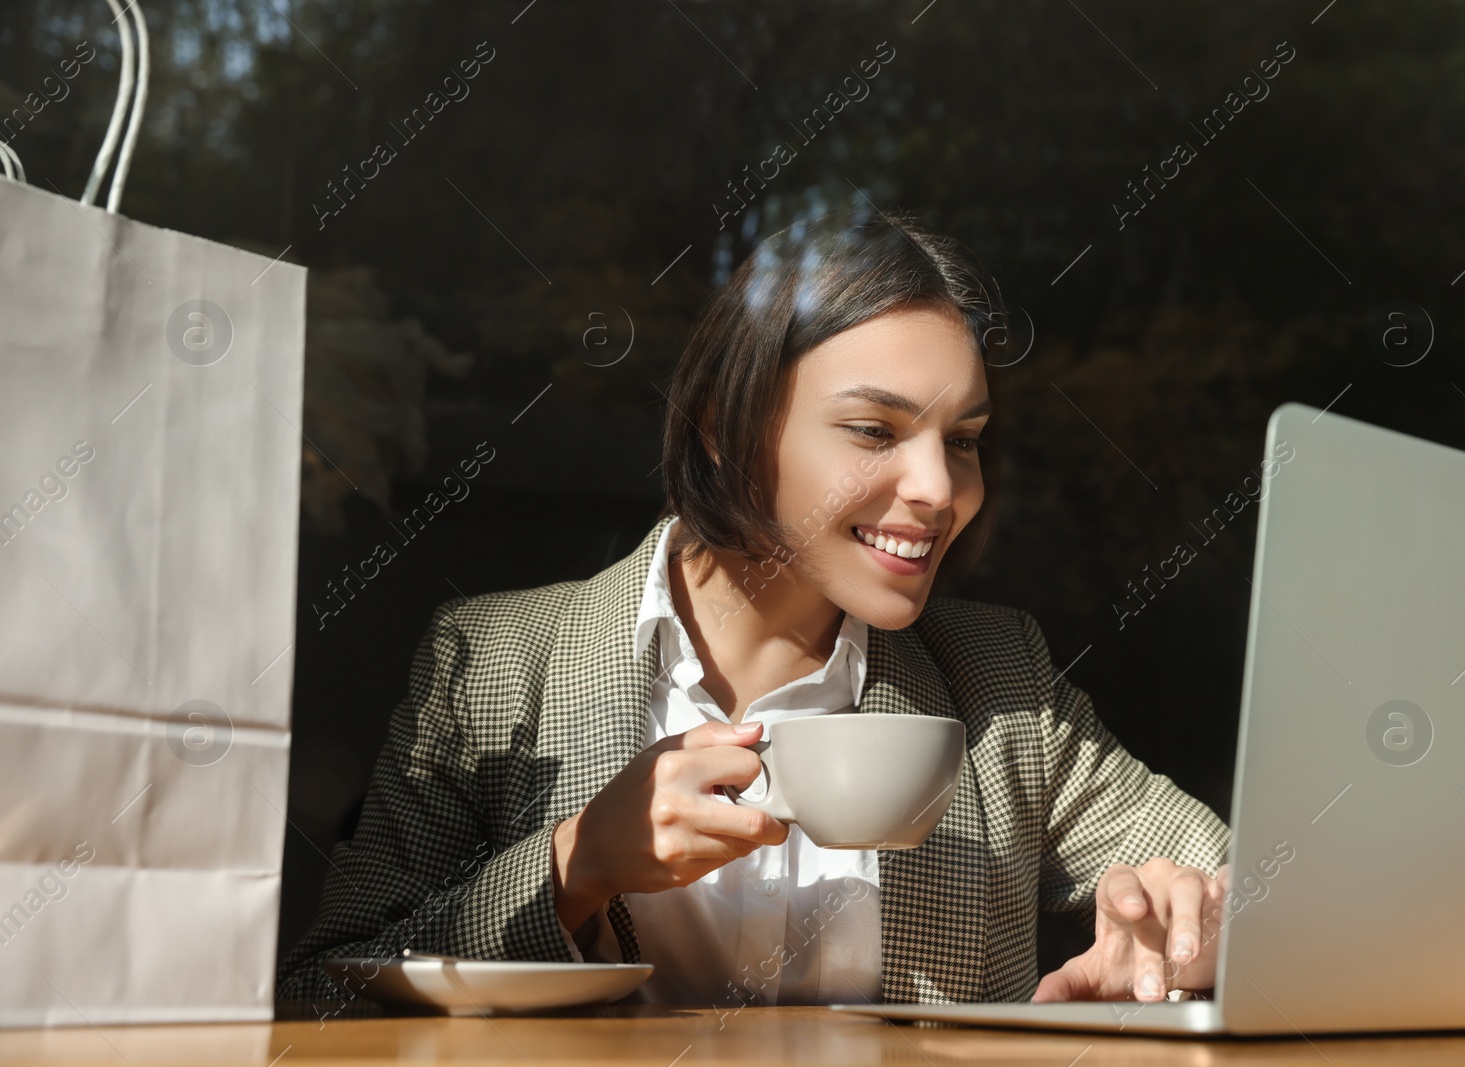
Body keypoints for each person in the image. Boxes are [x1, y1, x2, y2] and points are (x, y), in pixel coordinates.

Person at [276, 210, 1231, 1010]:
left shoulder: (1002, 681)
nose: (941, 487)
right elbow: (326, 991)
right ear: (726, 431)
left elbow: (1282, 896)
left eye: (966, 439)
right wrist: (574, 865)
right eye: (874, 430)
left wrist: (1187, 942)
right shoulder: (492, 661)